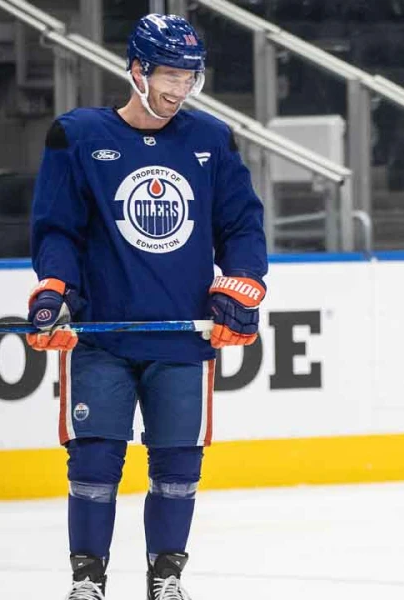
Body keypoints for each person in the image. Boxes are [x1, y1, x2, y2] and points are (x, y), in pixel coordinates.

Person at [26, 14, 267, 600]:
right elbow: (57, 229)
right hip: (101, 338)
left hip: (182, 340)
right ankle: (88, 580)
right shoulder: (77, 136)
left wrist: (242, 284)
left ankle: (166, 578)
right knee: (93, 464)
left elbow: (241, 225)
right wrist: (54, 289)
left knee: (179, 468)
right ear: (135, 70)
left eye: (190, 77)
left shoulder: (211, 139)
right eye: (170, 75)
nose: (181, 89)